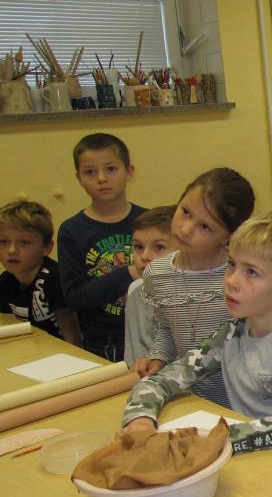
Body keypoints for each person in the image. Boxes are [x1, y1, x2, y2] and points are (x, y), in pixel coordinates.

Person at [120, 211, 272, 453]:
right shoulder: (230, 335)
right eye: (232, 265)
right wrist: (140, 419)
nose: (231, 281)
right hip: (256, 457)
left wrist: (222, 438)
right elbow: (162, 379)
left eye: (252, 272)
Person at [133, 167, 255, 408]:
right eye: (185, 212)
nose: (186, 229)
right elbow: (166, 329)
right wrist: (157, 359)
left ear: (229, 236)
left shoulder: (243, 276)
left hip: (244, 404)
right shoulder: (156, 274)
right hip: (190, 400)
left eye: (205, 227)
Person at [57, 133, 146, 360]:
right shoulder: (72, 231)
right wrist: (129, 273)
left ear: (129, 171)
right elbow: (75, 297)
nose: (102, 178)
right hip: (103, 342)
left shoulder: (149, 222)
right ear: (78, 178)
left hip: (151, 336)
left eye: (111, 169)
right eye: (90, 172)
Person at [0, 200, 80, 343]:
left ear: (47, 247)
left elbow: (73, 338)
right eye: (3, 242)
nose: (12, 250)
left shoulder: (55, 278)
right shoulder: (5, 280)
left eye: (24, 242)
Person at [123, 206, 176, 368]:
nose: (145, 257)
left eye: (159, 247)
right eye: (138, 247)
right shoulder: (136, 291)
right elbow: (134, 361)